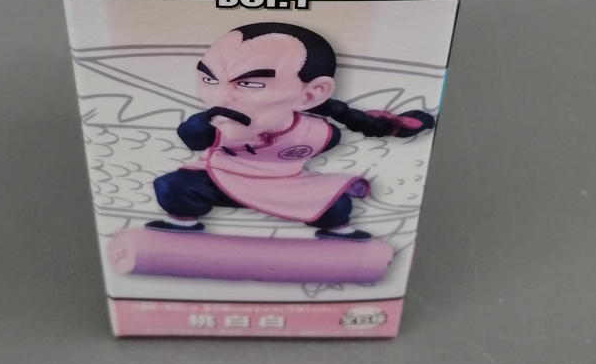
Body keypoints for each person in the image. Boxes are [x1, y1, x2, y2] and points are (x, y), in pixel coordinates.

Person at [147, 22, 434, 240]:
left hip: (288, 186)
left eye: (250, 83)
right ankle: (181, 225)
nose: (222, 96)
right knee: (173, 187)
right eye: (210, 79)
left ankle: (340, 236)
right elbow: (194, 136)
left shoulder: (316, 132)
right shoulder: (218, 125)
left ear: (311, 94)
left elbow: (324, 141)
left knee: (336, 205)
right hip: (218, 179)